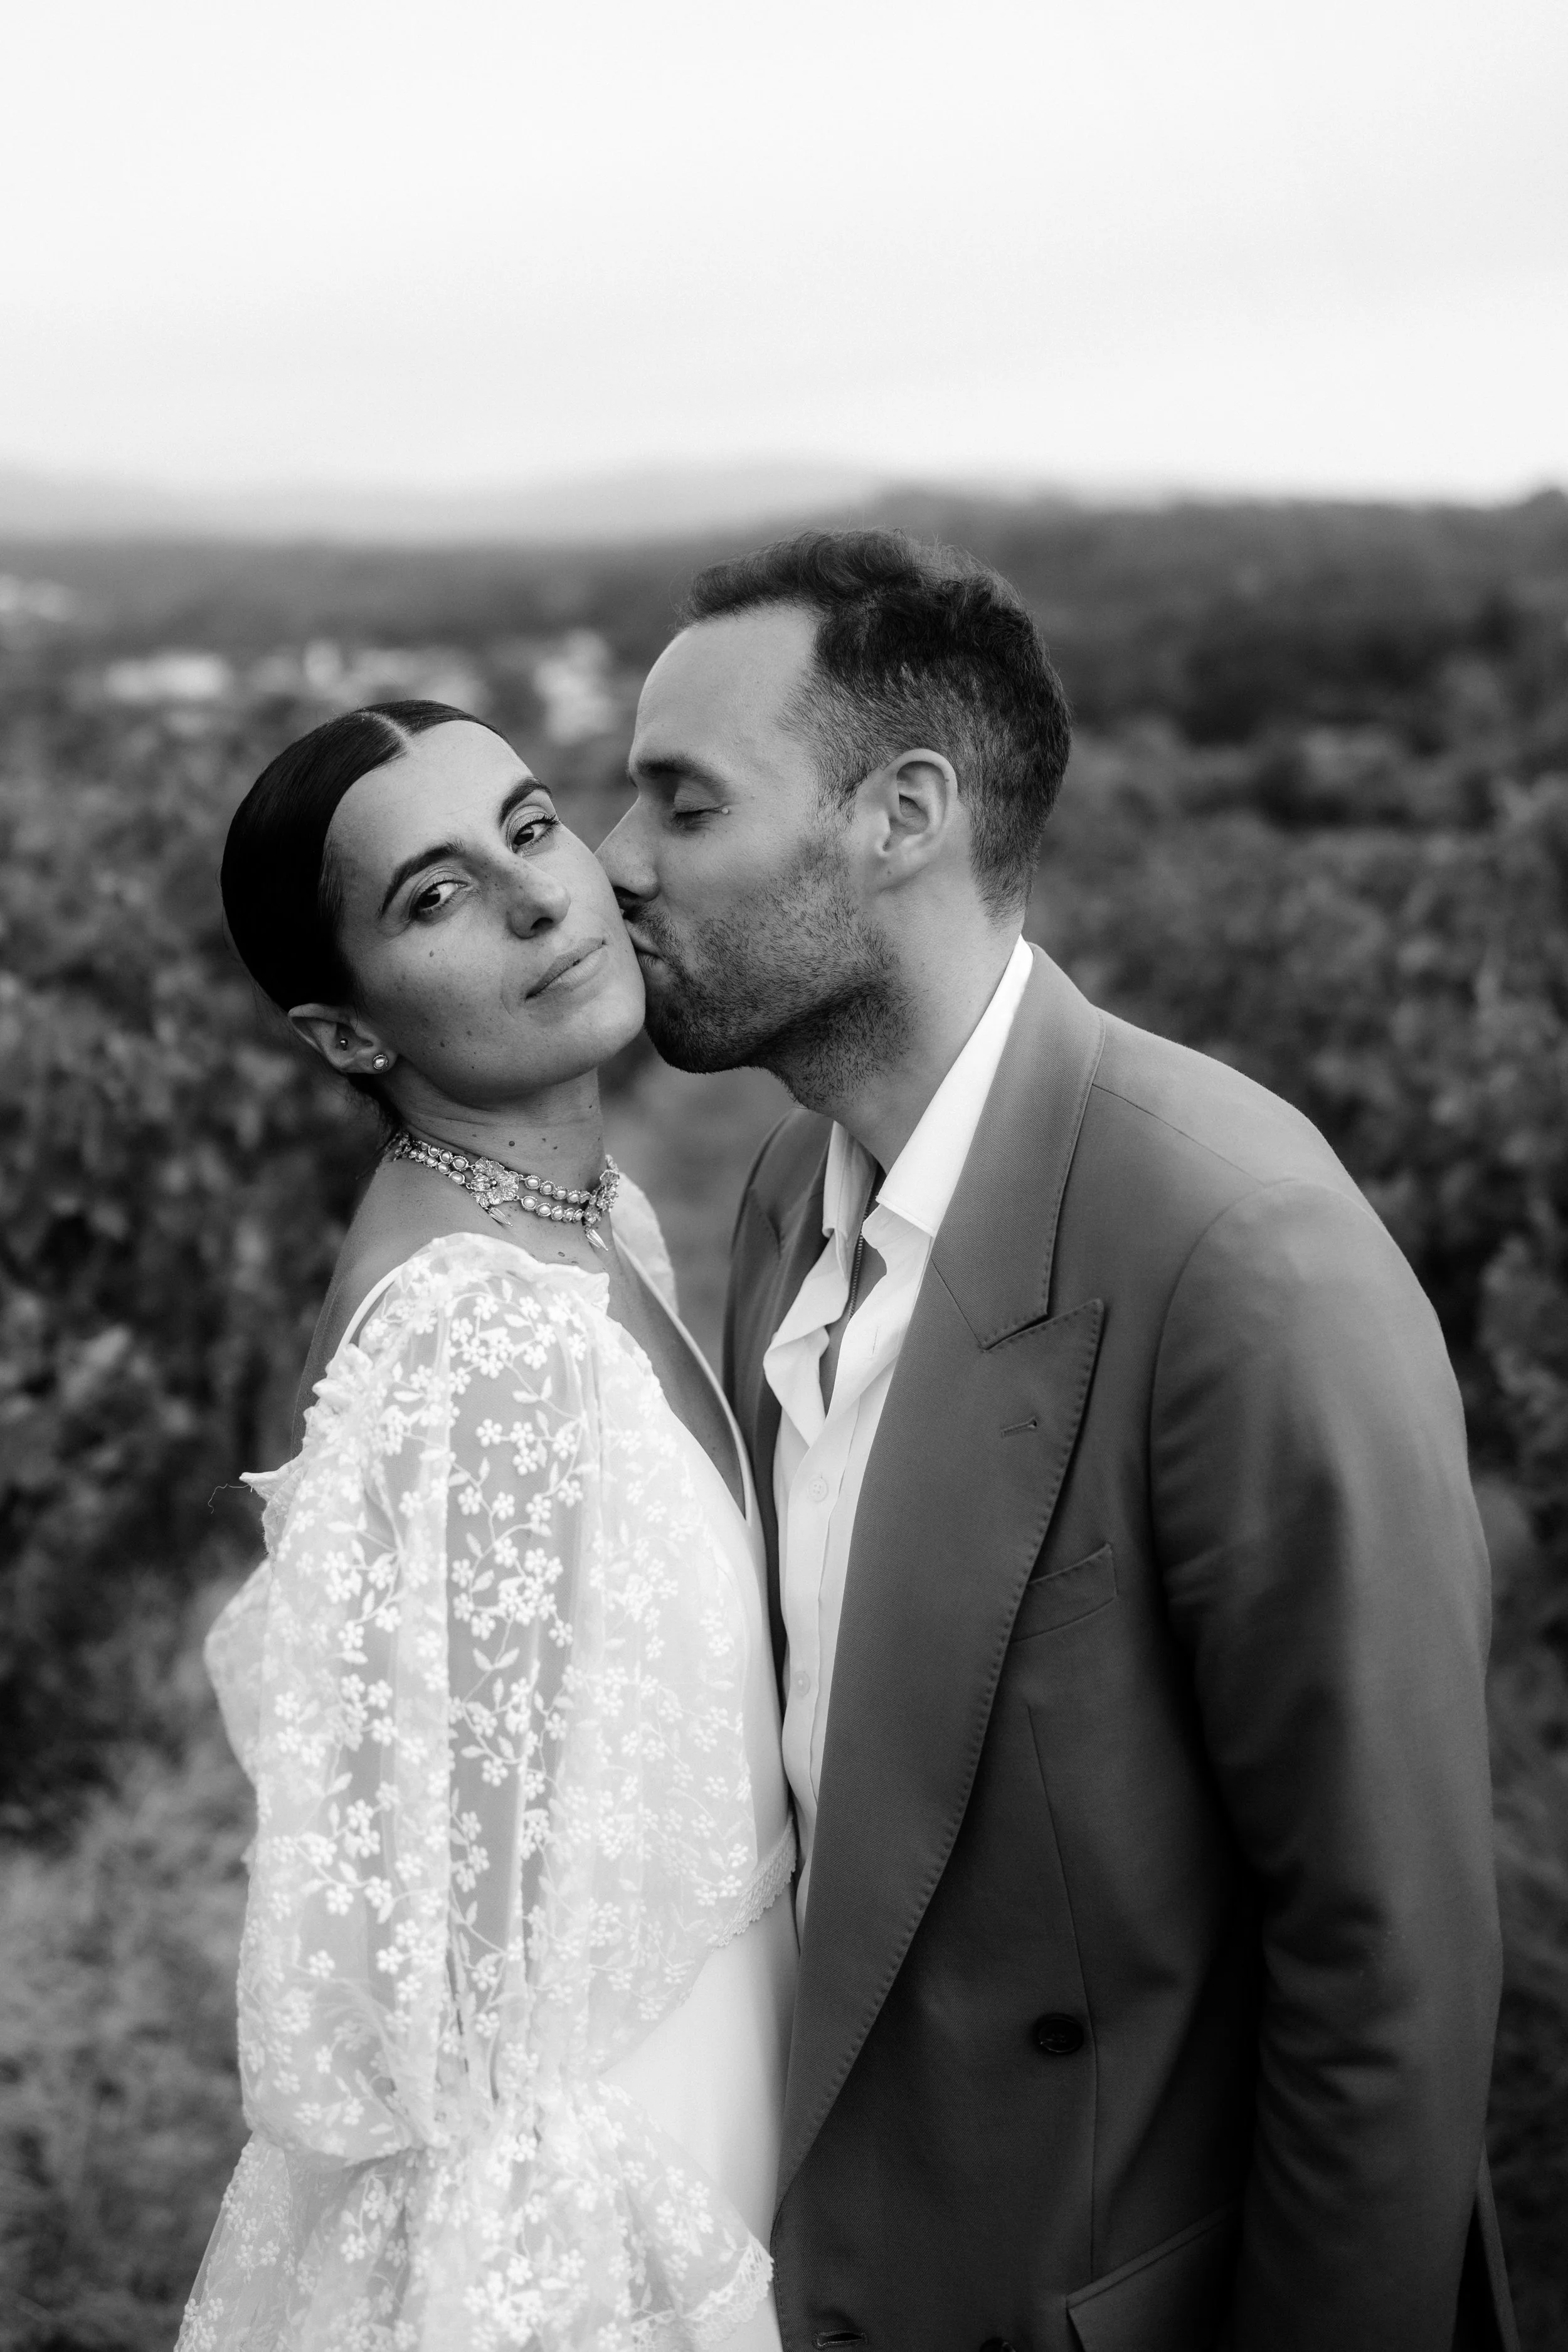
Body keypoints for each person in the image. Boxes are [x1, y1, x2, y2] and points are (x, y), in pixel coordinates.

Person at [599, 532, 1518, 2352]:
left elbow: (1386, 1971)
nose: (619, 859)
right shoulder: (789, 1193)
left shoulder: (1237, 1253)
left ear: (902, 814)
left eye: (681, 801)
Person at [179, 701, 796, 2351]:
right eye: (432, 897)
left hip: (734, 2061)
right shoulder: (472, 1337)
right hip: (619, 2188)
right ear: (343, 1034)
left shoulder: (594, 1228)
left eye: (531, 826)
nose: (542, 900)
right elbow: (473, 2038)